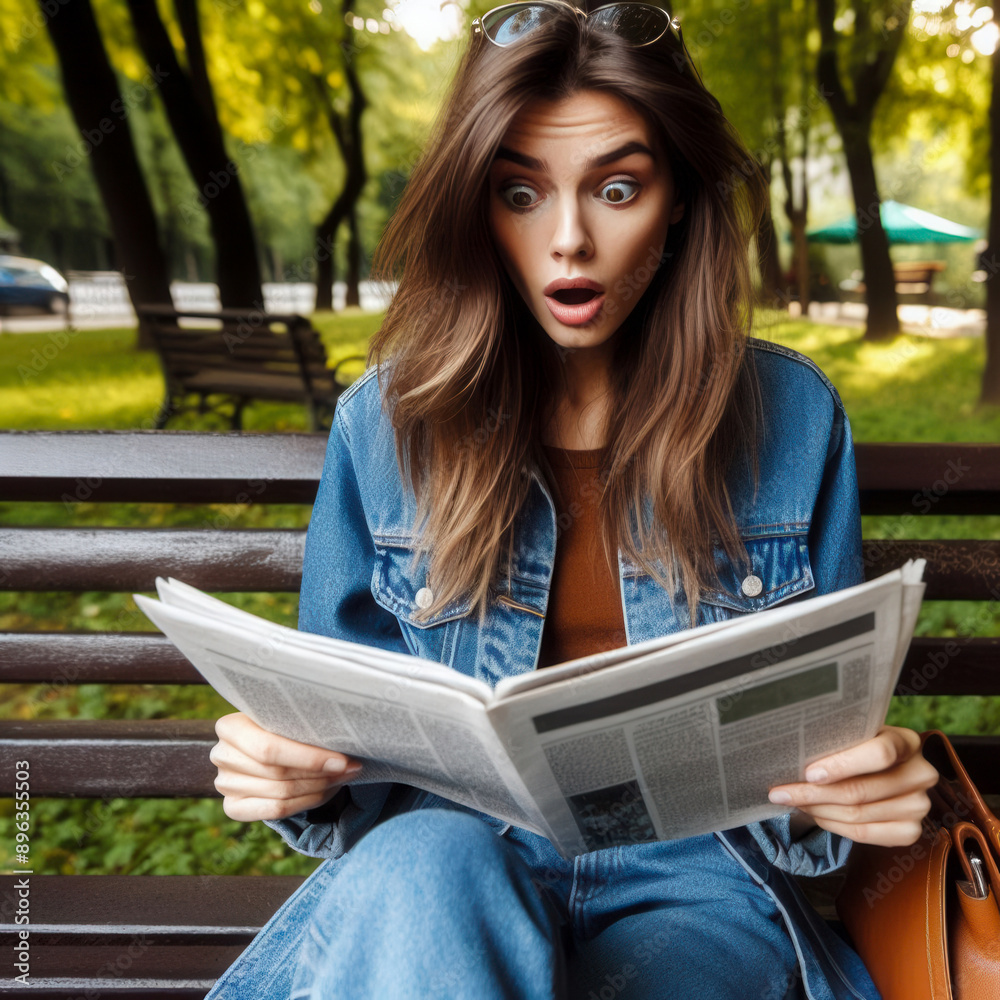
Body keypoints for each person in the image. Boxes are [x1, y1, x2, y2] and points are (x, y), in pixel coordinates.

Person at [206, 4, 938, 998]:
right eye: (518, 192)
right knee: (426, 873)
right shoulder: (383, 424)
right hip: (447, 857)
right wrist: (290, 770)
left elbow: (811, 744)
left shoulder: (793, 415)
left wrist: (852, 785)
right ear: (477, 206)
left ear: (678, 197)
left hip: (695, 872)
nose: (568, 242)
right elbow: (349, 744)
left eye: (619, 188)